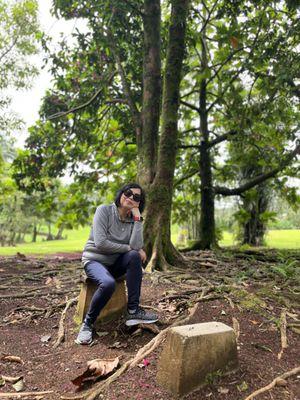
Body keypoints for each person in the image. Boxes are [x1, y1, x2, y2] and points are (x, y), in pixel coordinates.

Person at [75, 183, 158, 345]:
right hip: (95, 261)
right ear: (121, 193)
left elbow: (136, 246)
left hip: (115, 263)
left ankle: (133, 311)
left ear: (139, 203)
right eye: (128, 193)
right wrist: (128, 248)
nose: (131, 198)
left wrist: (138, 218)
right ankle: (87, 324)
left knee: (134, 256)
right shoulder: (104, 210)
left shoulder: (134, 219)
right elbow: (101, 243)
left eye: (136, 197)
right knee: (107, 283)